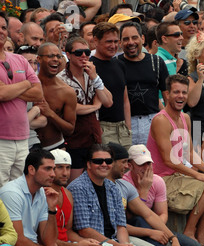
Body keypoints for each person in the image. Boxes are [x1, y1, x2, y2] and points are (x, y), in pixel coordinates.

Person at [106, 143, 204, 246]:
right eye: (125, 162)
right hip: (123, 235)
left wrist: (172, 237)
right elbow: (125, 224)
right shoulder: (121, 183)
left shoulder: (128, 185)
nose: (146, 168)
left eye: (148, 163)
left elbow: (153, 215)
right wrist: (152, 231)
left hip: (147, 230)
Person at [0, 149, 99, 246]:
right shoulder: (12, 193)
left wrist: (52, 209)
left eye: (53, 169)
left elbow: (49, 241)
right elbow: (18, 242)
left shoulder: (41, 192)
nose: (53, 174)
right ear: (31, 169)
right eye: (48, 169)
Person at [147, 74, 204, 246]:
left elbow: (189, 153)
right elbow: (168, 160)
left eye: (184, 92)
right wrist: (198, 174)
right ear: (166, 94)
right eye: (176, 92)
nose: (181, 96)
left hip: (177, 175)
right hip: (161, 179)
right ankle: (189, 232)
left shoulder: (185, 118)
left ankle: (202, 233)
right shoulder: (160, 120)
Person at [67, 144, 155, 246]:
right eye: (98, 161)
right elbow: (84, 230)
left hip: (113, 242)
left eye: (108, 160)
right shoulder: (78, 187)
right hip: (93, 243)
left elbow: (121, 225)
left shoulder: (112, 187)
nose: (104, 164)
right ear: (88, 164)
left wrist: (127, 245)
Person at [49, 148, 134, 246]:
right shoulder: (52, 193)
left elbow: (68, 230)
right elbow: (49, 240)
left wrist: (85, 242)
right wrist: (78, 245)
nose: (65, 173)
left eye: (68, 167)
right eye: (59, 167)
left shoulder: (67, 193)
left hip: (77, 243)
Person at [58, 36, 113, 182]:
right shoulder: (60, 79)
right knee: (74, 184)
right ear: (68, 55)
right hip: (73, 139)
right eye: (78, 52)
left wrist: (95, 77)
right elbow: (70, 108)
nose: (84, 56)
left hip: (94, 137)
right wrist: (95, 106)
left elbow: (108, 101)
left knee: (97, 182)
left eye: (87, 52)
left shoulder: (91, 75)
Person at [0, 12, 43, 188]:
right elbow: (1, 95)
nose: (1, 31)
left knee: (19, 190)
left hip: (22, 138)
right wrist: (27, 83)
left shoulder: (19, 59)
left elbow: (38, 93)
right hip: (1, 140)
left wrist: (11, 88)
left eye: (3, 27)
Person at [118, 21, 169, 145]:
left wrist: (169, 122)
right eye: (126, 39)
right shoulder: (115, 64)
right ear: (120, 42)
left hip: (153, 121)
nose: (131, 42)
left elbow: (167, 95)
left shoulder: (156, 62)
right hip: (124, 124)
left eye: (134, 37)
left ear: (142, 38)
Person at [90, 22, 132, 149]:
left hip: (122, 128)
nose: (113, 46)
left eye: (116, 41)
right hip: (102, 128)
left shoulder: (120, 65)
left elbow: (125, 99)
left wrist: (128, 128)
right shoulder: (89, 67)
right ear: (96, 41)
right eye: (109, 41)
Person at [36, 42, 76, 151]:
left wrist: (50, 114)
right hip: (28, 147)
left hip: (55, 147)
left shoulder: (67, 92)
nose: (56, 59)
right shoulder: (28, 85)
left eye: (58, 56)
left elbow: (70, 129)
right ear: (39, 59)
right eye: (50, 56)